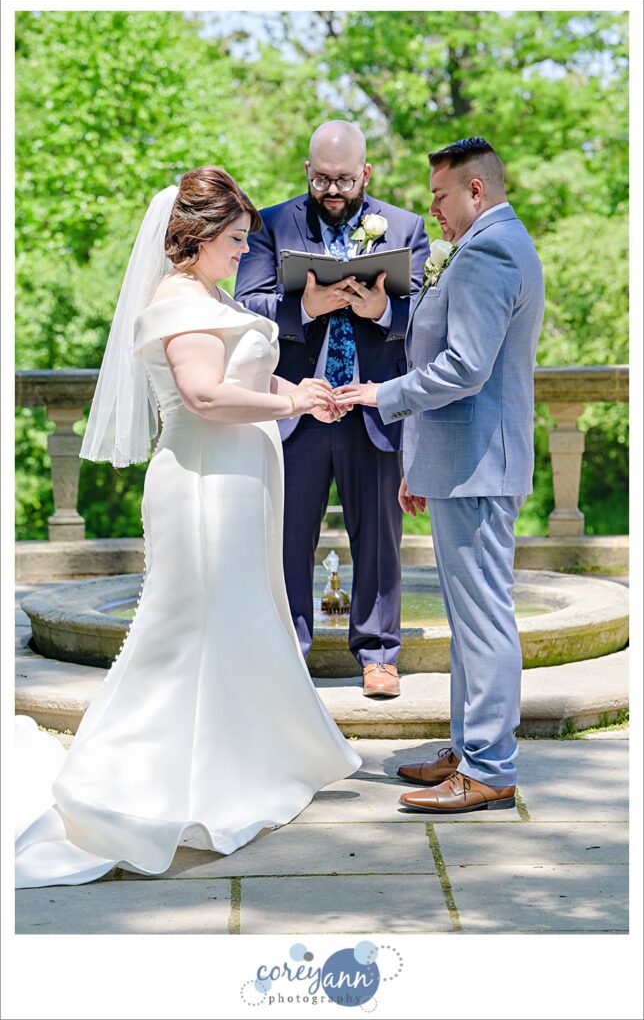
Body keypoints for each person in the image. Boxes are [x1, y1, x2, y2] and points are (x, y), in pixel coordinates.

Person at [15, 166, 361, 889]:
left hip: (236, 484)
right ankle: (136, 783)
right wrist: (290, 410)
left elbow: (242, 375)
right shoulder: (176, 300)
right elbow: (204, 394)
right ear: (195, 236)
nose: (243, 251)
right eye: (235, 239)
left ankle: (241, 767)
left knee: (237, 622)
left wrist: (298, 390)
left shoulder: (210, 294)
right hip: (203, 487)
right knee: (186, 632)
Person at [335, 138, 545, 813]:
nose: (433, 210)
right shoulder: (496, 244)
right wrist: (417, 461)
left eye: (441, 196)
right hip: (461, 463)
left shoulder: (488, 250)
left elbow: (466, 368)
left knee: (484, 621)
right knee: (469, 618)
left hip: (479, 467)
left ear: (476, 191)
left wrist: (382, 396)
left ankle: (489, 768)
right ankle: (470, 746)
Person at [234, 121, 430, 699]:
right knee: (287, 537)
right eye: (322, 178)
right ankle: (288, 653)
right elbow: (246, 307)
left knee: (379, 537)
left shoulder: (405, 227)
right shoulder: (270, 224)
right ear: (307, 171)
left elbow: (427, 316)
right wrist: (308, 306)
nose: (334, 189)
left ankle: (378, 655)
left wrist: (382, 314)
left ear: (366, 172)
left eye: (345, 179)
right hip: (298, 406)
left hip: (372, 406)